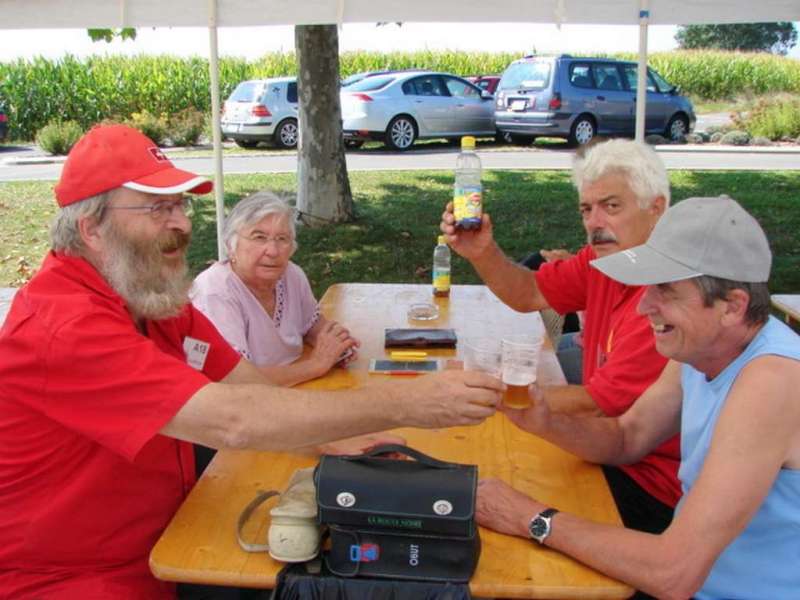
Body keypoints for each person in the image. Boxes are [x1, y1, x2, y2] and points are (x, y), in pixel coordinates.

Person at [0, 124, 502, 599]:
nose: (180, 225)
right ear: (92, 229)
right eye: (158, 209)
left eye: (180, 206)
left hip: (172, 534)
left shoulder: (152, 300)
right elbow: (235, 421)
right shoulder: (62, 327)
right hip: (69, 576)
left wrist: (352, 445)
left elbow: (252, 392)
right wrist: (407, 402)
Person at [475, 196, 800, 599]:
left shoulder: (770, 381)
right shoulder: (703, 349)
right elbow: (628, 438)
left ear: (732, 306)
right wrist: (546, 423)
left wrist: (529, 518)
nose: (645, 306)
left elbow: (674, 573)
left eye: (666, 290)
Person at [441, 139, 678, 534]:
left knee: (481, 500)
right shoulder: (605, 260)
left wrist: (487, 394)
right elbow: (529, 292)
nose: (594, 222)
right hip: (603, 451)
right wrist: (481, 252)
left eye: (612, 206)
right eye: (587, 209)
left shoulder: (666, 296)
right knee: (482, 480)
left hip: (652, 488)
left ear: (656, 208)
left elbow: (594, 406)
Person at [191, 192, 357, 388]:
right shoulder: (215, 293)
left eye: (282, 238)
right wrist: (316, 365)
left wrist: (336, 344)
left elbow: (311, 325)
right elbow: (237, 381)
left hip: (291, 388)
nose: (273, 251)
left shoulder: (291, 275)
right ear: (231, 245)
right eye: (259, 237)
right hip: (236, 405)